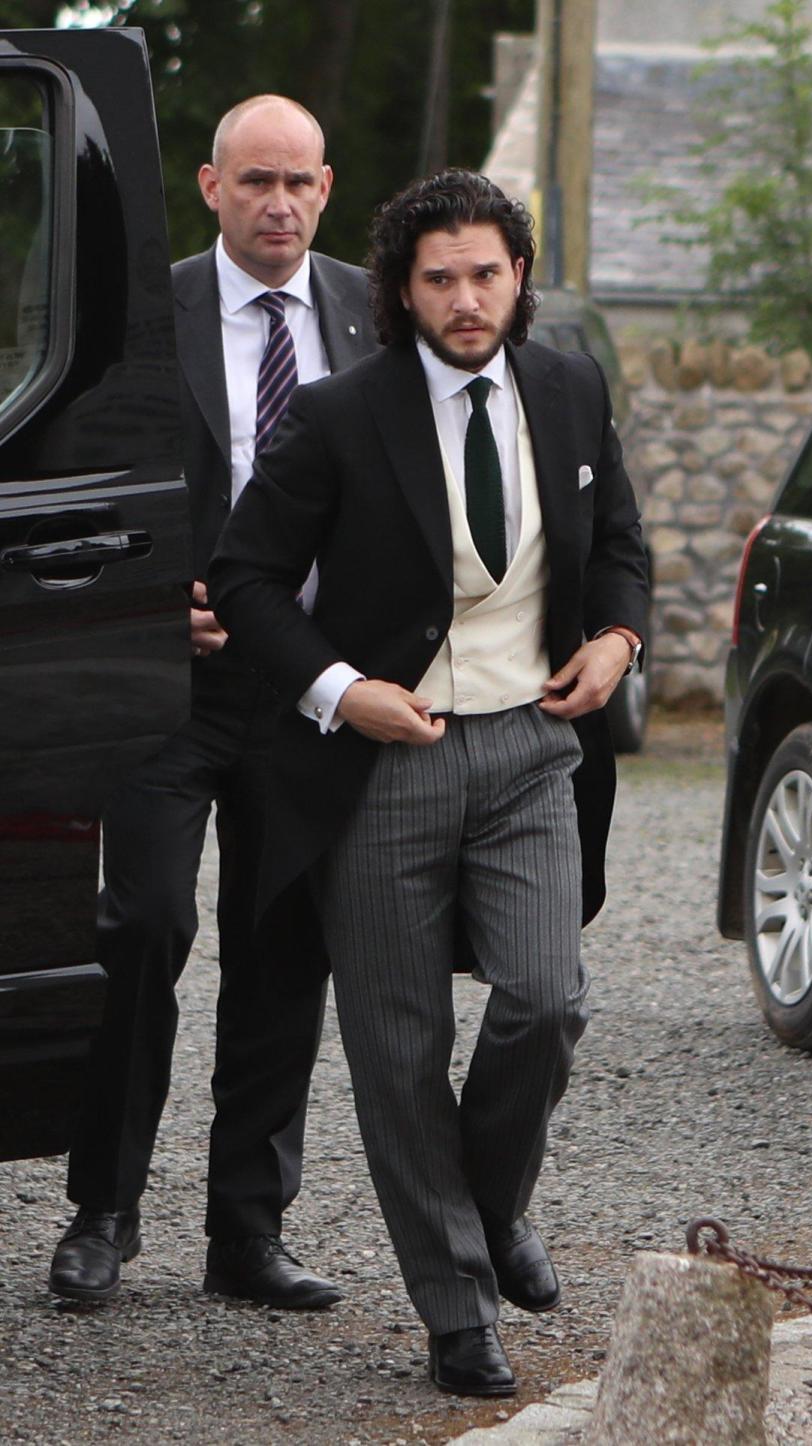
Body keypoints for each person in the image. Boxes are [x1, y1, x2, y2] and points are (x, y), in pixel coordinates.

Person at [208, 169, 649, 1395]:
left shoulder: (568, 388)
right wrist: (340, 689)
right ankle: (457, 1308)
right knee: (398, 1051)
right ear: (403, 291)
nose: (467, 298)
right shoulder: (347, 415)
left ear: (519, 278)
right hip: (384, 766)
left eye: (487, 273)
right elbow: (245, 578)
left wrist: (617, 640)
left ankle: (491, 1198)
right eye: (440, 277)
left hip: (531, 754)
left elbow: (618, 541)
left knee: (547, 999)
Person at [48, 96, 378, 1308]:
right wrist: (138, 607)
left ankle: (247, 1232)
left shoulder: (369, 316)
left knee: (283, 948)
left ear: (327, 189)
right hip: (166, 683)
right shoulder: (143, 314)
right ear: (208, 185)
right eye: (255, 183)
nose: (278, 204)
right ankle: (104, 1210)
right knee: (140, 929)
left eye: (298, 182)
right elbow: (82, 474)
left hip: (310, 684)